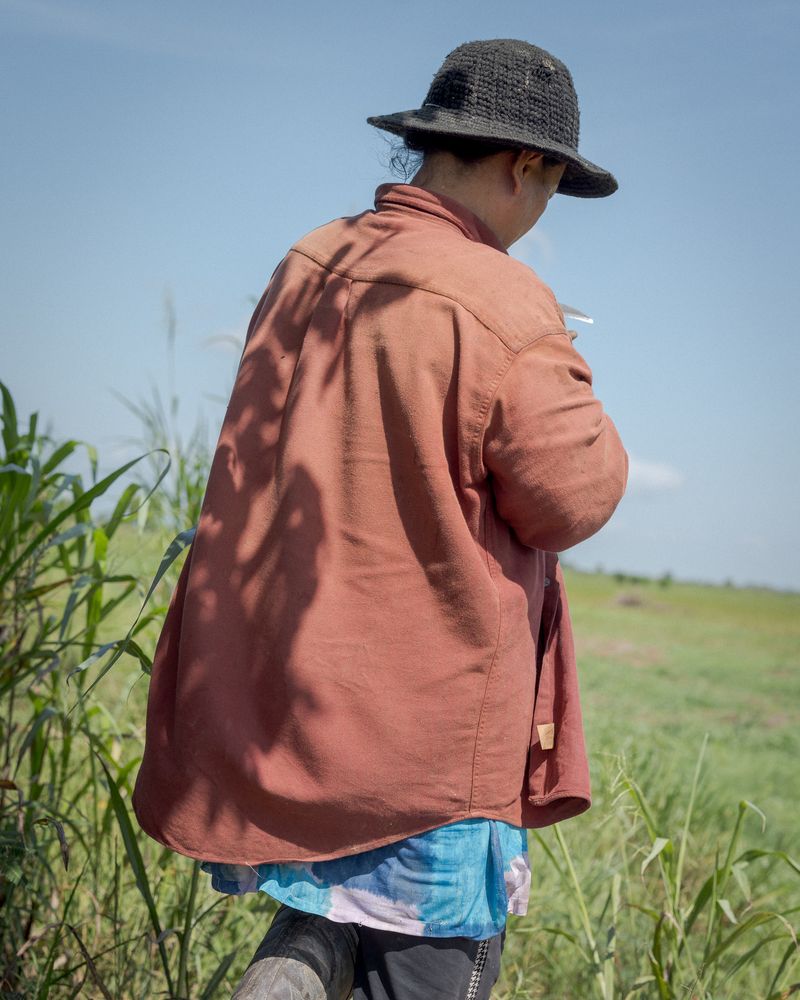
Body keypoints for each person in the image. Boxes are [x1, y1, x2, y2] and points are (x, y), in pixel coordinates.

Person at [132, 37, 628, 999]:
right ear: (526, 166)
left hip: (283, 724)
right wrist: (562, 358)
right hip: (420, 757)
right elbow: (575, 496)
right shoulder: (501, 298)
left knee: (309, 950)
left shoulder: (309, 260)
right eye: (552, 186)